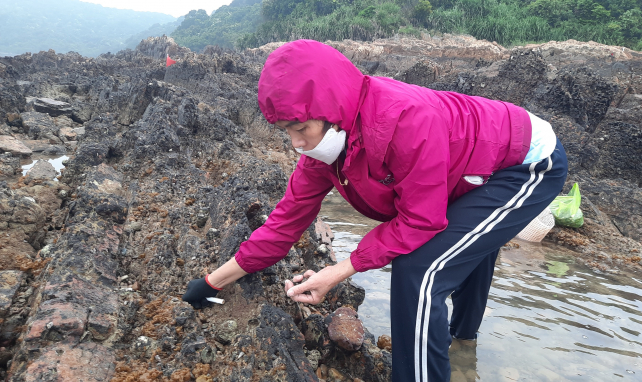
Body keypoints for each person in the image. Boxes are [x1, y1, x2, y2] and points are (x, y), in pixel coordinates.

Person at [182, 39, 568, 381]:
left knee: (420, 270)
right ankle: (463, 346)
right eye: (286, 131)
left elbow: (420, 220)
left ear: (330, 109)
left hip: (524, 162)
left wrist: (339, 270)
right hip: (464, 170)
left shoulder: (405, 120)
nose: (296, 143)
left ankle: (451, 346)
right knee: (459, 243)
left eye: (300, 127)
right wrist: (212, 282)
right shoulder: (323, 155)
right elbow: (284, 224)